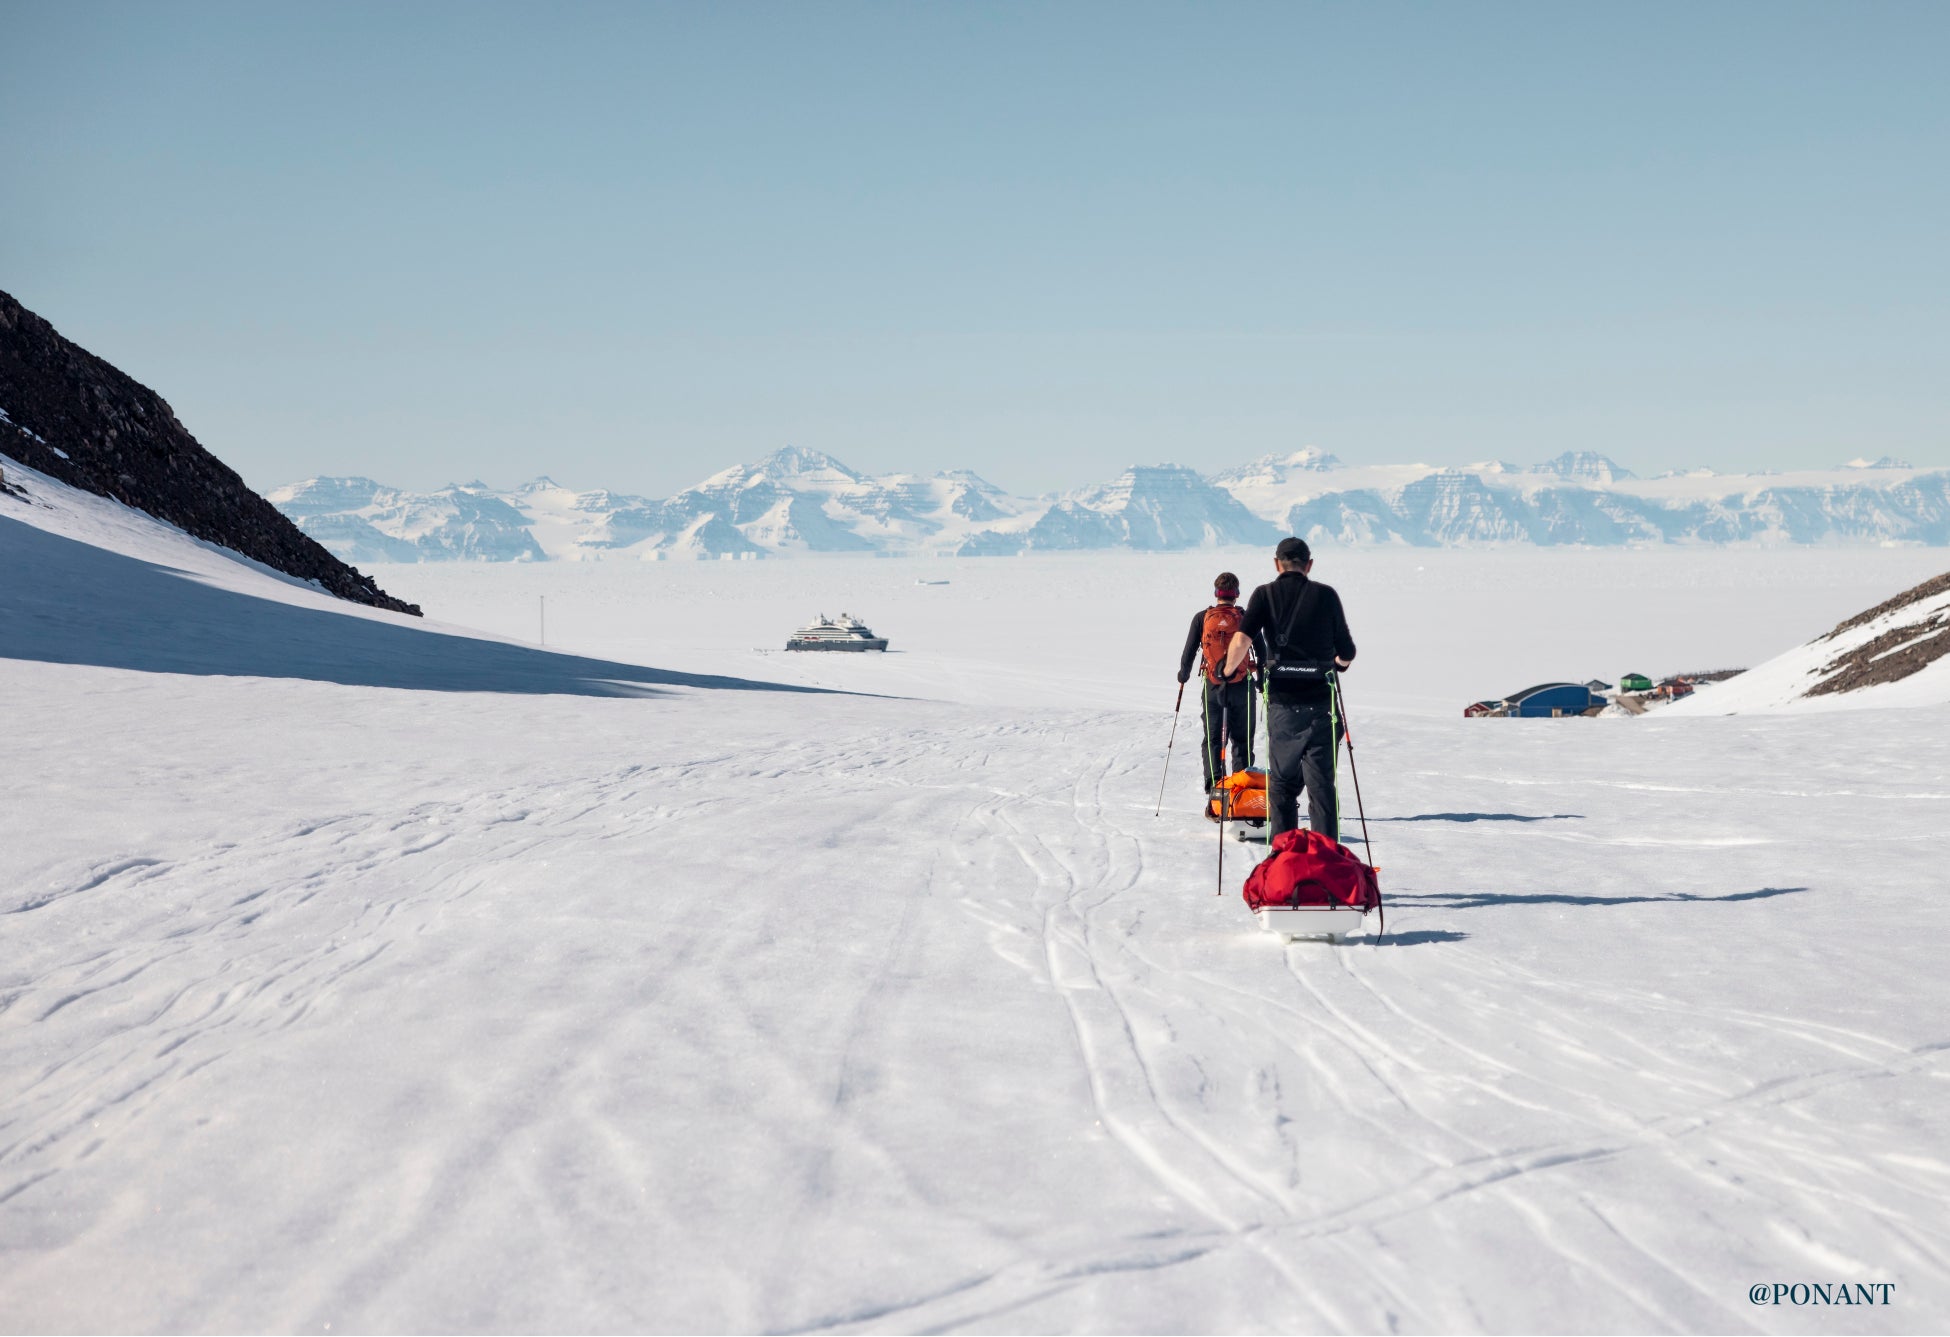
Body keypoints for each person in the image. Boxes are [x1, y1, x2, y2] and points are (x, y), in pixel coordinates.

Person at [1222, 537, 1356, 839]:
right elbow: (1346, 652)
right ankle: (1325, 863)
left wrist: (1227, 670)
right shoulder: (1326, 596)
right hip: (1322, 708)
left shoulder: (1264, 595)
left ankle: (1284, 862)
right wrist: (1338, 665)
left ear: (1276, 563)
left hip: (1283, 708)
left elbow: (1242, 640)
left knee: (1281, 786)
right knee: (1321, 787)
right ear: (1309, 565)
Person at [1177, 572, 1256, 795]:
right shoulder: (1245, 617)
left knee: (1213, 739)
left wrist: (1183, 675)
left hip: (1213, 686)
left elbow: (1189, 651)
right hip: (1242, 685)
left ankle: (1215, 790)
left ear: (1216, 593)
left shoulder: (1202, 617)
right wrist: (1263, 679)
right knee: (1242, 740)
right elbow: (1261, 649)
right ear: (1237, 594)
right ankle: (1241, 792)